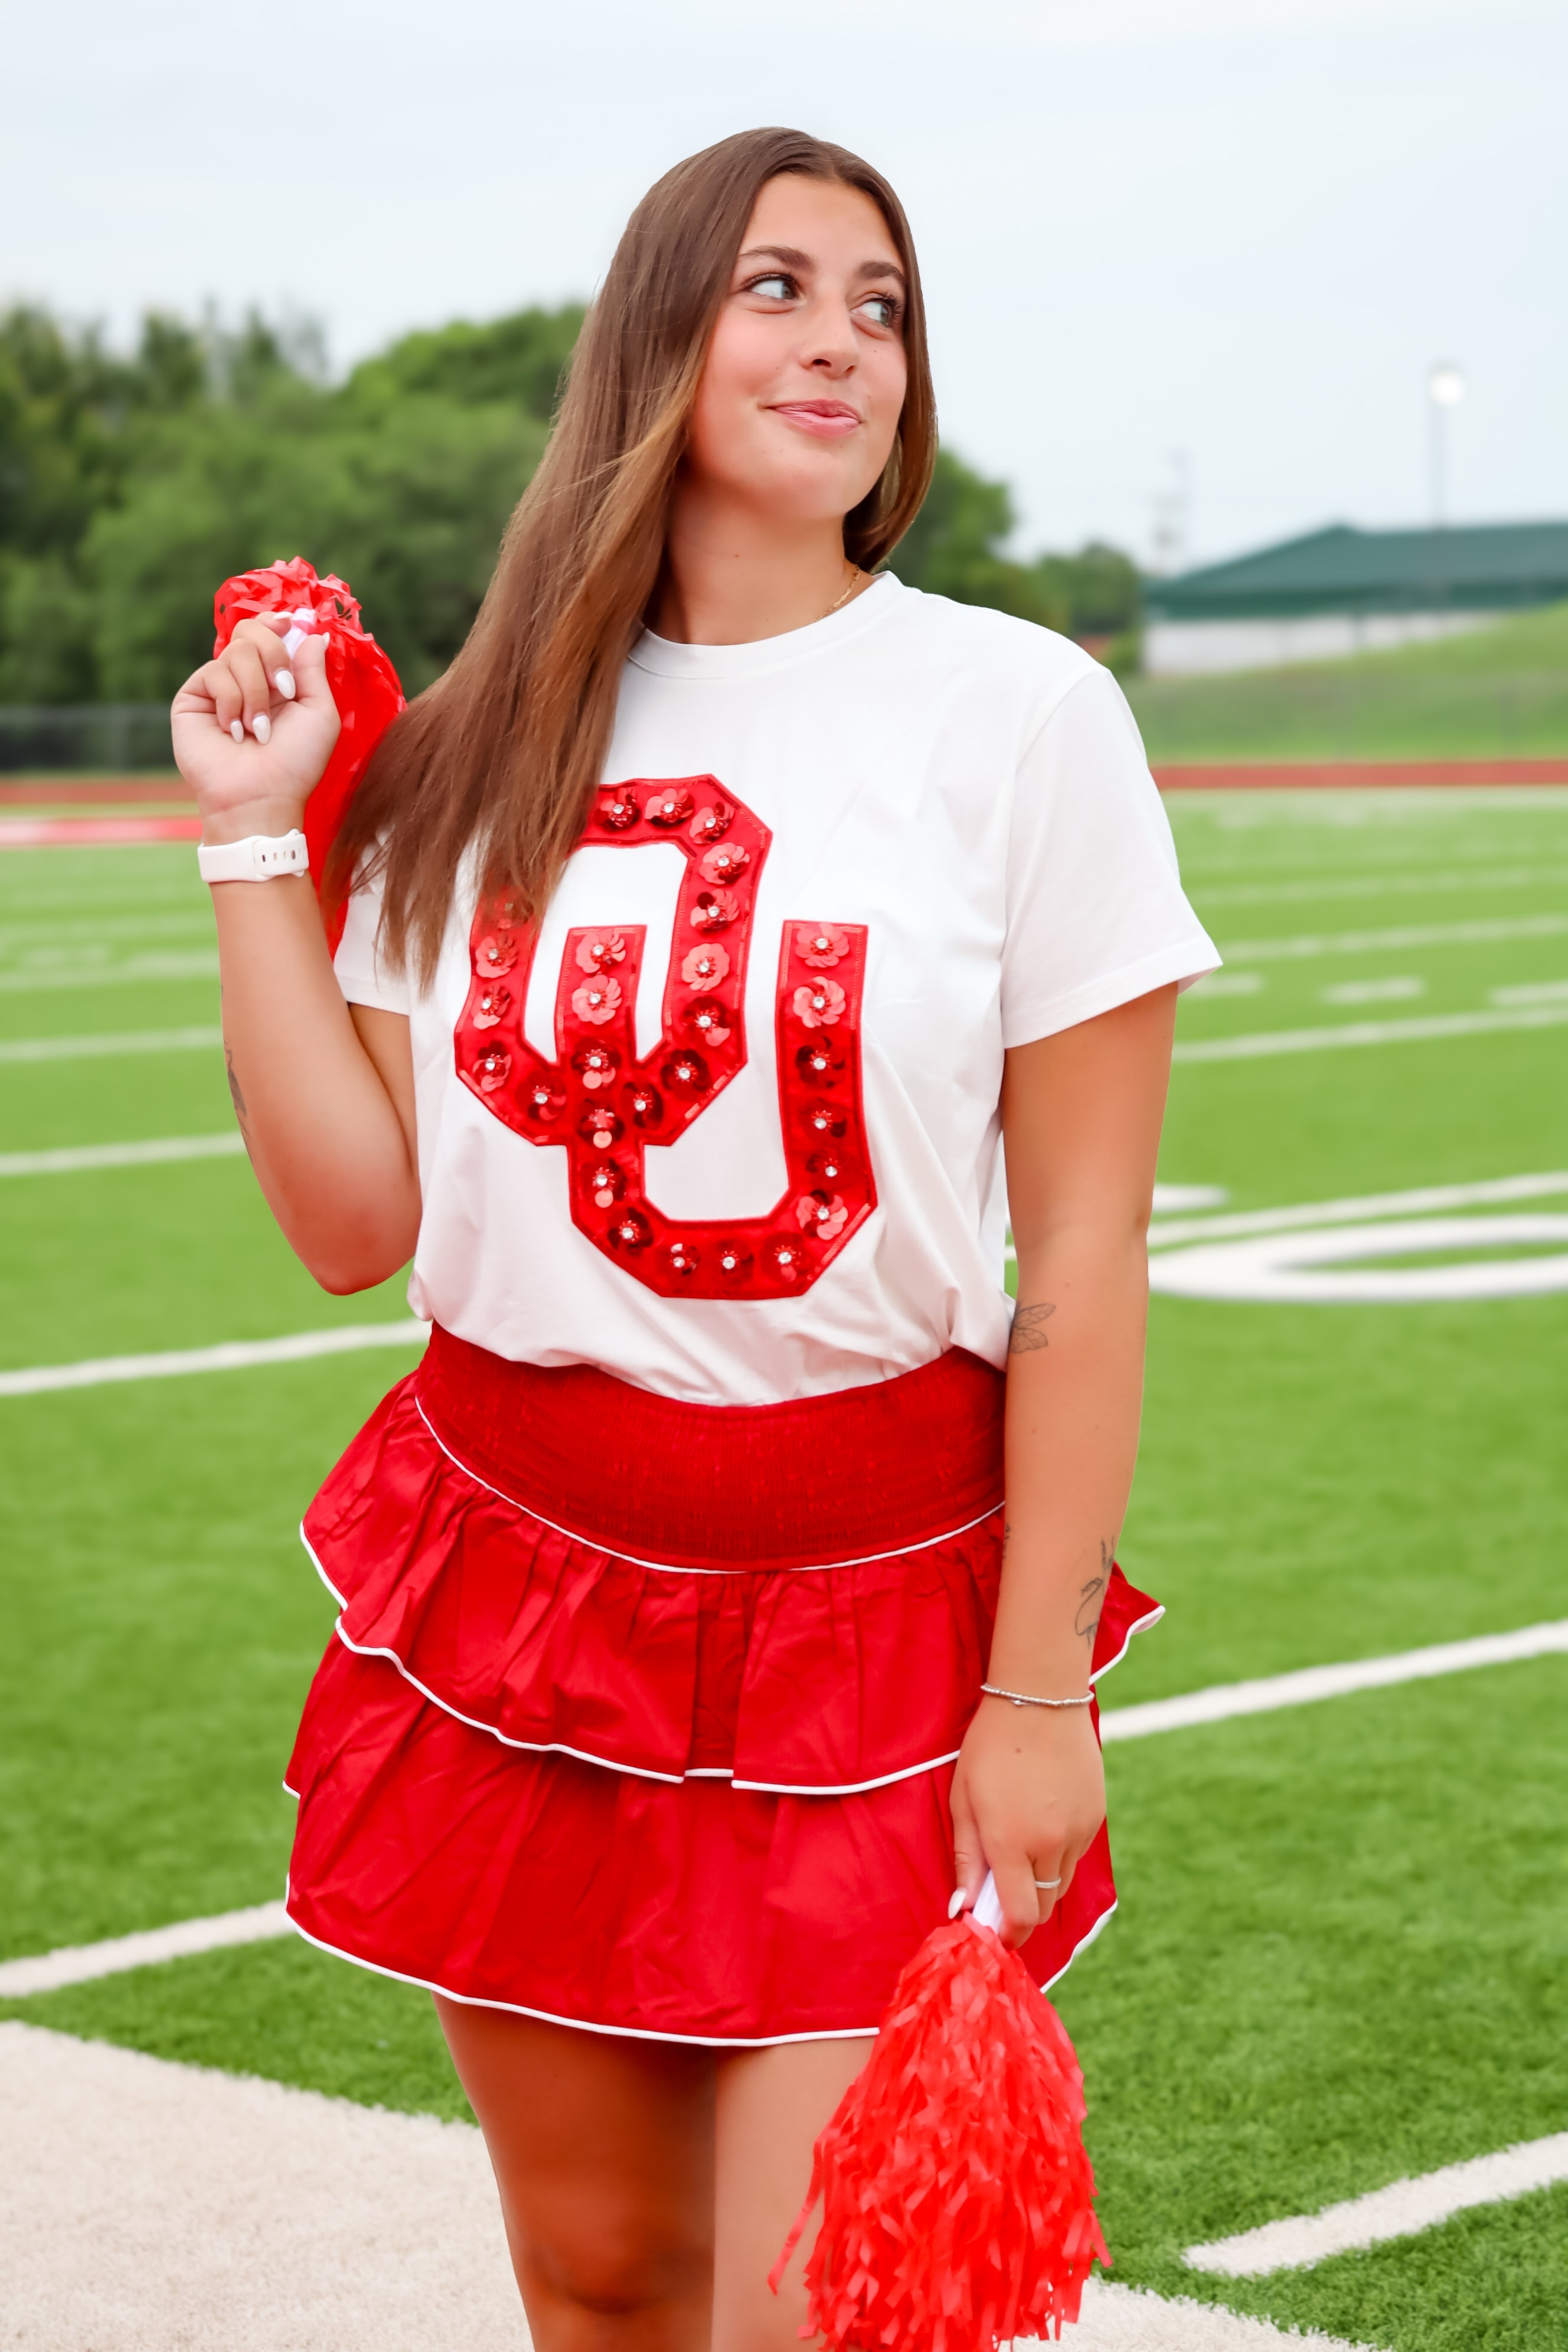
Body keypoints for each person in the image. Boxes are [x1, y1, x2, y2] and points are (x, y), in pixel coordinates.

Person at [172, 126, 1216, 2352]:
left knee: (809, 2308)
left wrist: (1040, 1691)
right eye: (779, 286)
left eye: (884, 303)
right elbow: (356, 1227)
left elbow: (1091, 1263)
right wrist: (257, 852)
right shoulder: (470, 743)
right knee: (599, 2273)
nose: (843, 338)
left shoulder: (1027, 716)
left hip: (869, 1609)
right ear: (654, 336)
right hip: (524, 1591)